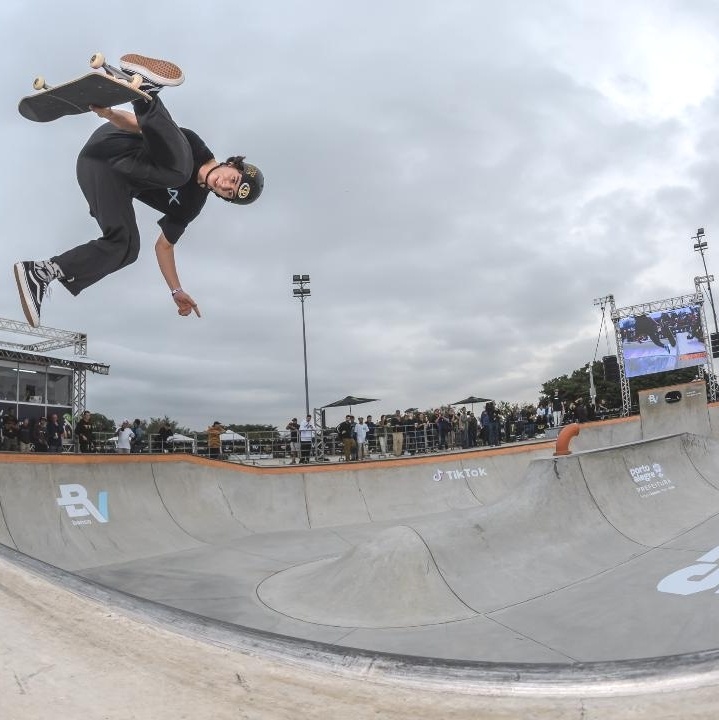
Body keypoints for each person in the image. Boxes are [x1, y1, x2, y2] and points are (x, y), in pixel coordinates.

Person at [14, 53, 264, 328]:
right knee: (181, 170)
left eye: (229, 192)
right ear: (232, 165)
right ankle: (145, 94)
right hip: (110, 147)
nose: (226, 185)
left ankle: (42, 272)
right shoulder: (193, 145)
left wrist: (176, 290)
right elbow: (139, 128)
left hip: (103, 177)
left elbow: (164, 246)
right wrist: (109, 114)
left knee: (127, 247)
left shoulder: (191, 207)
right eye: (233, 179)